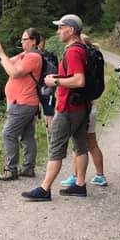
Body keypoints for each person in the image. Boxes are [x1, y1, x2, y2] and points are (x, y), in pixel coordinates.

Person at [22, 14, 90, 201]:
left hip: (68, 107)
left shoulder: (73, 52)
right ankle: (80, 185)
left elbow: (79, 80)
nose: (58, 31)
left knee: (56, 147)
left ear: (71, 29)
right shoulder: (82, 48)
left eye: (61, 27)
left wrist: (55, 81)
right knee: (80, 146)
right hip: (82, 106)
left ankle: (45, 189)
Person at [0, 29, 43, 181]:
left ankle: (11, 170)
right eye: (21, 40)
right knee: (27, 136)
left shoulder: (33, 57)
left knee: (8, 133)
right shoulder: (24, 55)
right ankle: (28, 168)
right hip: (24, 103)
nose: (22, 42)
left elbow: (13, 72)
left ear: (34, 41)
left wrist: (1, 54)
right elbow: (7, 63)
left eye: (25, 39)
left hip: (23, 103)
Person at [61, 35, 108, 188]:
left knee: (81, 143)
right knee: (88, 142)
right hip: (90, 106)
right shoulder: (91, 60)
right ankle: (98, 175)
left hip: (84, 107)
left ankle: (78, 177)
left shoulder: (81, 58)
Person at [35, 33, 58, 132]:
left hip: (36, 89)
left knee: (48, 116)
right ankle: (52, 140)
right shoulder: (51, 56)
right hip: (48, 89)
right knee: (49, 115)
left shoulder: (32, 56)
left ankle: (52, 141)